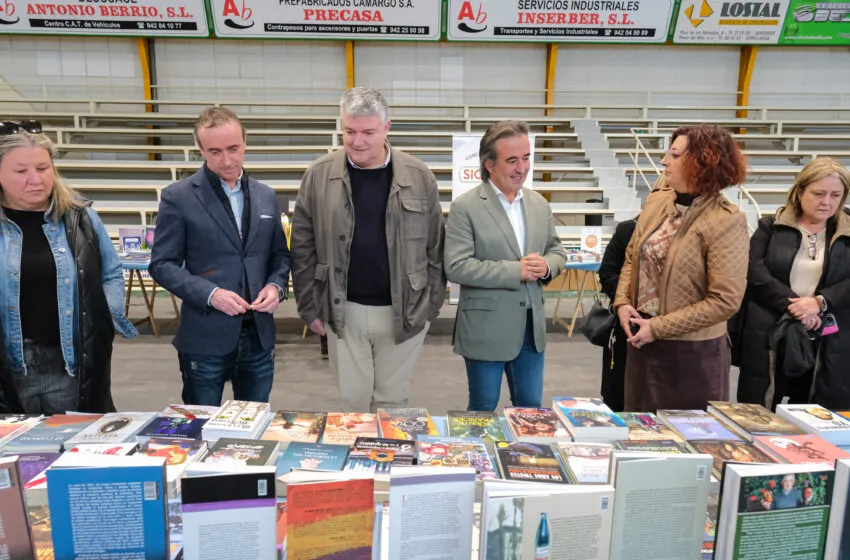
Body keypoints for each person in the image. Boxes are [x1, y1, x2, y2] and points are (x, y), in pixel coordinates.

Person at [290, 87, 445, 413]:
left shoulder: (419, 176)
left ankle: (388, 461)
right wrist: (309, 305)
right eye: (349, 131)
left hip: (405, 310)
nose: (357, 141)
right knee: (352, 404)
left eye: (368, 132)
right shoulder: (318, 175)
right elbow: (301, 246)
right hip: (343, 310)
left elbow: (435, 247)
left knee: (393, 404)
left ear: (387, 128)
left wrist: (430, 306)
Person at [150, 108, 291, 406]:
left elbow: (280, 256)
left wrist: (276, 286)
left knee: (254, 431)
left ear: (245, 144)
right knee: (200, 431)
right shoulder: (178, 196)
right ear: (200, 150)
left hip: (259, 338)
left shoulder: (267, 195)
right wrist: (211, 294)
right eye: (215, 152)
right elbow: (162, 265)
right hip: (204, 336)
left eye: (233, 149)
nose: (226, 160)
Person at [0, 120, 137, 414]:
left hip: (70, 369)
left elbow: (111, 273)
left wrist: (104, 320)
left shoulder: (81, 218)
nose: (35, 179)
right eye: (21, 171)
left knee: (71, 448)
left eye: (42, 168)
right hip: (8, 372)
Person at [614, 124, 749, 411]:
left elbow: (725, 300)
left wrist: (659, 327)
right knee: (641, 434)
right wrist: (623, 302)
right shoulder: (658, 201)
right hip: (643, 341)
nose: (664, 161)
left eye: (674, 155)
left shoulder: (726, 220)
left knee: (690, 440)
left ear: (703, 163)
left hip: (692, 355)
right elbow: (631, 256)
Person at [444, 120, 566, 412]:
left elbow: (557, 251)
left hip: (531, 331)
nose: (521, 168)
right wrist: (517, 271)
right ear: (489, 164)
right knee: (483, 410)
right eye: (512, 160)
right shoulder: (466, 207)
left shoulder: (539, 204)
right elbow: (456, 266)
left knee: (531, 411)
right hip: (485, 331)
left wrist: (547, 266)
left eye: (526, 158)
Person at [735, 158, 850, 410]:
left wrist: (819, 303)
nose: (826, 202)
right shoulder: (770, 226)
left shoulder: (847, 233)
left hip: (828, 338)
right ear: (799, 191)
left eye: (835, 195)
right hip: (770, 331)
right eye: (818, 193)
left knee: (817, 413)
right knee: (760, 410)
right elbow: (755, 272)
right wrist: (798, 308)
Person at [597, 216, 637, 412]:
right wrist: (625, 300)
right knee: (618, 394)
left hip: (670, 331)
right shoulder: (628, 230)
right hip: (625, 327)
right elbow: (607, 273)